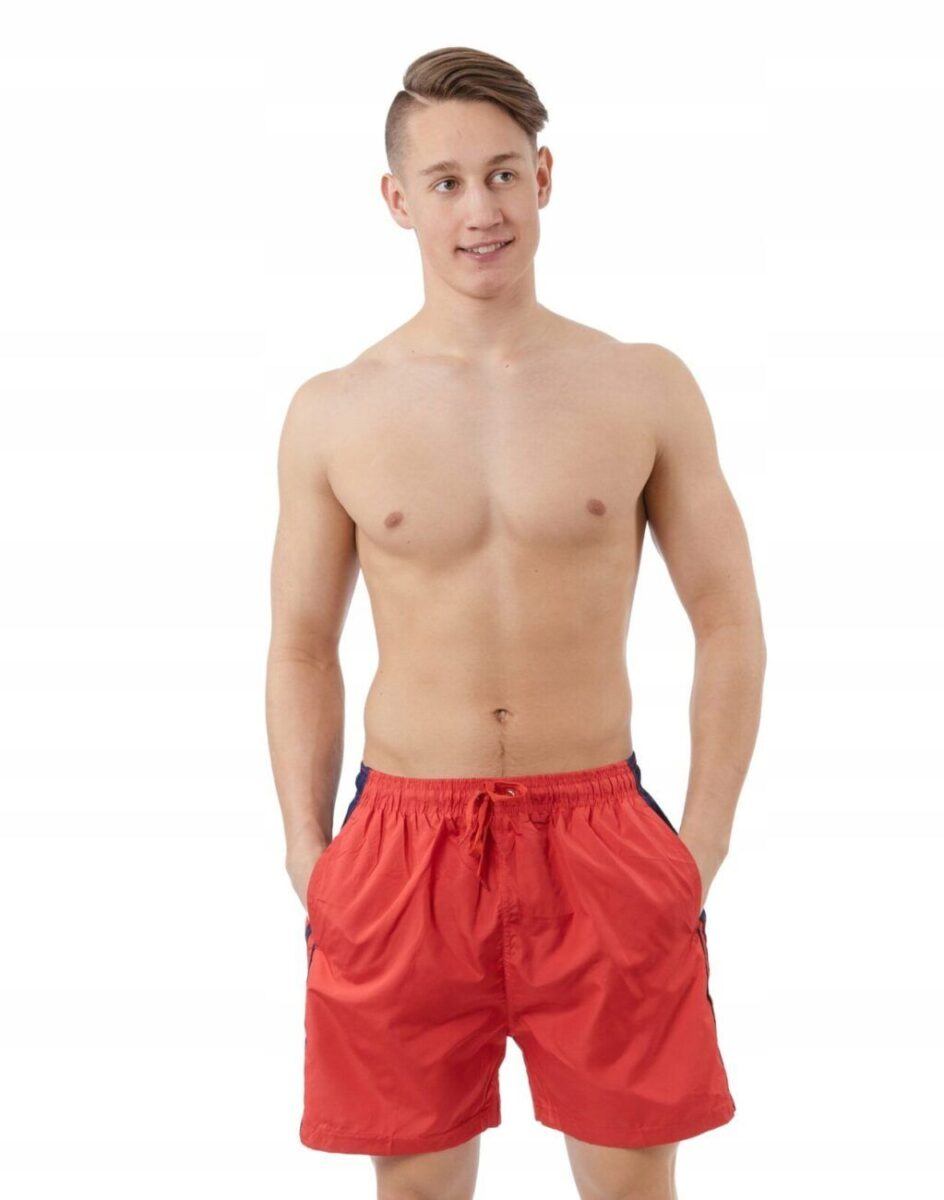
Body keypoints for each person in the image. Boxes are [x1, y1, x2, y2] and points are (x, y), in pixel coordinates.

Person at [265, 45, 766, 1200]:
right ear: (397, 200)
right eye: (444, 183)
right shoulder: (334, 410)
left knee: (630, 1189)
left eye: (500, 173)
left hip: (598, 832)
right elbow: (299, 644)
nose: (479, 210)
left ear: (543, 176)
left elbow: (727, 618)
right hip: (403, 841)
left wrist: (700, 843)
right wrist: (306, 850)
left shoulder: (641, 385)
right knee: (418, 1191)